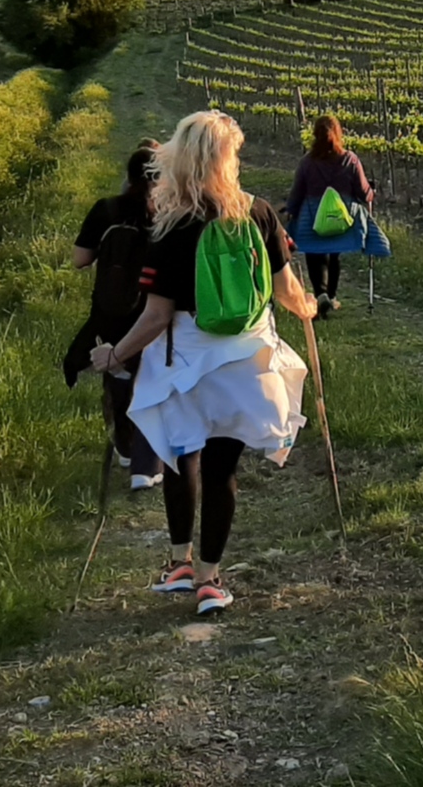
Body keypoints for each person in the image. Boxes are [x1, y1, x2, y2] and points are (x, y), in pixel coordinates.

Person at [91, 110, 316, 616]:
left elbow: (155, 317)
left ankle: (179, 565)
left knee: (179, 456)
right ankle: (211, 579)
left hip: (187, 358)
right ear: (226, 160)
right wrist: (310, 307)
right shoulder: (258, 214)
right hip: (246, 359)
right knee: (222, 468)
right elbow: (287, 293)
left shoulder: (172, 226)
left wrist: (114, 355)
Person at [64, 145, 165, 490]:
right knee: (152, 376)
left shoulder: (106, 209)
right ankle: (148, 458)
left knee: (118, 372)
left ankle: (125, 446)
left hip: (110, 310)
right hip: (153, 308)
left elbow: (79, 259)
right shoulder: (167, 213)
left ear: (128, 175)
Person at [285, 114, 375, 318]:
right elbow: (363, 191)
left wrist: (291, 210)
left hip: (313, 217)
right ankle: (331, 296)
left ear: (314, 136)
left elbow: (298, 191)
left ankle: (320, 294)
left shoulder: (307, 163)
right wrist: (371, 193)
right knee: (334, 254)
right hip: (341, 219)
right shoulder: (350, 160)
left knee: (315, 255)